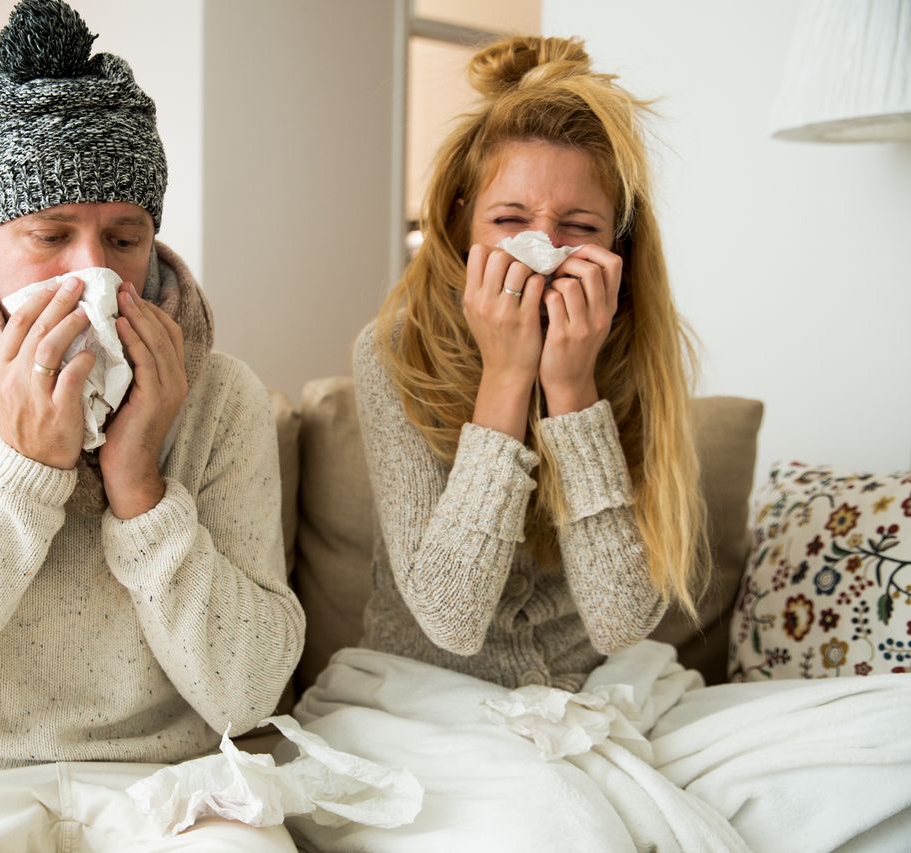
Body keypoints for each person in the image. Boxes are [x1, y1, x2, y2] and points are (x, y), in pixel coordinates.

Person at [0, 1, 303, 850]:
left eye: (124, 237)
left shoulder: (222, 397)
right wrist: (22, 472)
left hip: (168, 782)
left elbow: (250, 691)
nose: (92, 274)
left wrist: (141, 489)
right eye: (51, 234)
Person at [288, 35, 711, 850]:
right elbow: (450, 614)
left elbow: (625, 619)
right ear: (461, 222)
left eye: (578, 226)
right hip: (424, 695)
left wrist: (573, 390)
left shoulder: (644, 354)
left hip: (597, 692)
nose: (543, 248)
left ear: (618, 248)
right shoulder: (393, 349)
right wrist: (508, 379)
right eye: (511, 220)